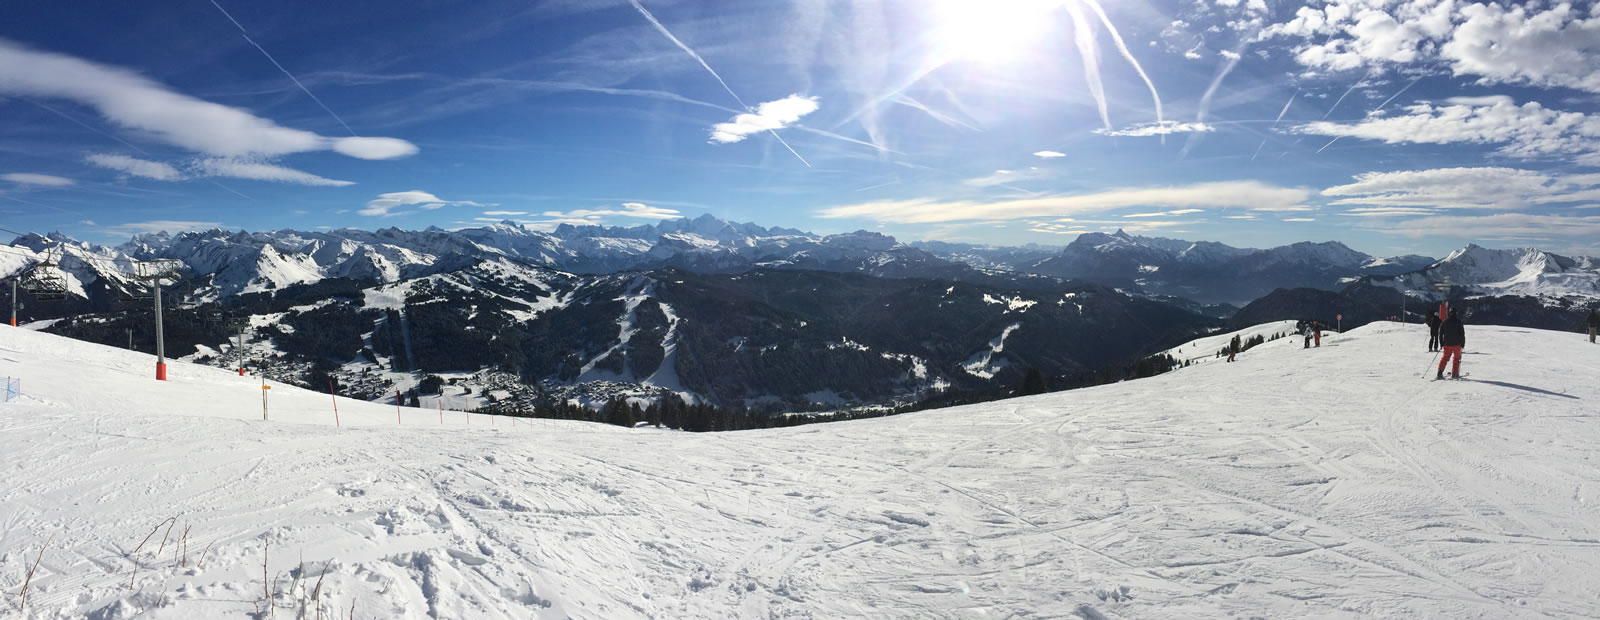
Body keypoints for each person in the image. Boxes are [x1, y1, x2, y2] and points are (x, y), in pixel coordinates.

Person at [1437, 309, 1465, 380]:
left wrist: (1441, 343)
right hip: (1457, 344)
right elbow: (1462, 333)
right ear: (1456, 313)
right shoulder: (1458, 322)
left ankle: (1439, 373)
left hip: (1447, 344)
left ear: (1449, 313)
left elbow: (1440, 334)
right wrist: (1462, 343)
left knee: (1445, 358)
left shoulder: (1444, 321)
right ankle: (1455, 374)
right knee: (1456, 358)